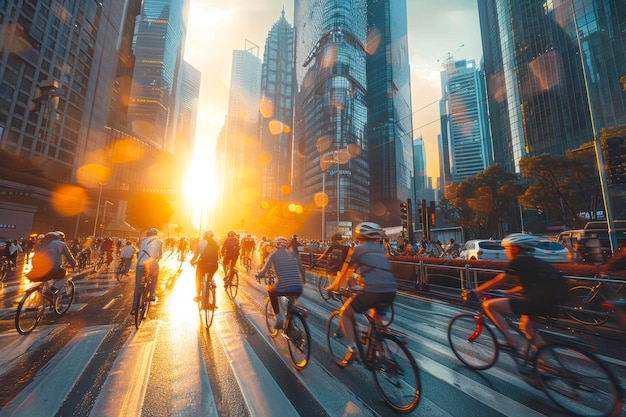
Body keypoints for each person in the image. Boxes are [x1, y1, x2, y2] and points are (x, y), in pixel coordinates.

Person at [472, 233, 567, 356]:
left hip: (536, 303)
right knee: (527, 327)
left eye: (506, 248)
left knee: (488, 305)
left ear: (514, 248)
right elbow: (527, 285)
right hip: (549, 302)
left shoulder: (518, 261)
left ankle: (512, 341)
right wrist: (507, 292)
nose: (506, 251)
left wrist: (476, 291)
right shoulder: (533, 261)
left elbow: (499, 280)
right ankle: (544, 364)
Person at [326, 222, 397, 363]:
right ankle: (384, 356)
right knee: (377, 318)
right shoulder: (380, 251)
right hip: (390, 292)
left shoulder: (357, 250)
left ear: (359, 235)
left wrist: (334, 287)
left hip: (372, 292)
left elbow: (346, 272)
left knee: (345, 314)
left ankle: (352, 348)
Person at [256, 236, 305, 329]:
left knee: (270, 290)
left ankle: (279, 319)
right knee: (290, 305)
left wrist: (259, 275)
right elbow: (301, 269)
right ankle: (290, 325)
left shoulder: (273, 255)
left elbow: (264, 270)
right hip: (299, 287)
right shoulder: (292, 254)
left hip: (284, 286)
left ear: (276, 245)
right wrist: (303, 280)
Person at [27, 231, 76, 295]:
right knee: (66, 275)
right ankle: (53, 290)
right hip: (52, 270)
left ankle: (45, 295)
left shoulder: (39, 244)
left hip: (35, 272)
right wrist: (74, 264)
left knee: (45, 280)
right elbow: (69, 257)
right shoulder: (61, 244)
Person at [132, 228, 163, 315]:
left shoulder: (142, 241)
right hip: (151, 264)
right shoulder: (159, 242)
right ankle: (152, 294)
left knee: (137, 286)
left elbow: (139, 251)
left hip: (140, 264)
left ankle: (134, 308)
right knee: (155, 275)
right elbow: (160, 255)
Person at [190, 231, 220, 302]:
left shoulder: (201, 243)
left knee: (198, 278)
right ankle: (210, 284)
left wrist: (192, 261)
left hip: (203, 264)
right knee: (209, 278)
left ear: (204, 236)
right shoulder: (216, 243)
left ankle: (198, 295)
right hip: (214, 265)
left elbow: (196, 255)